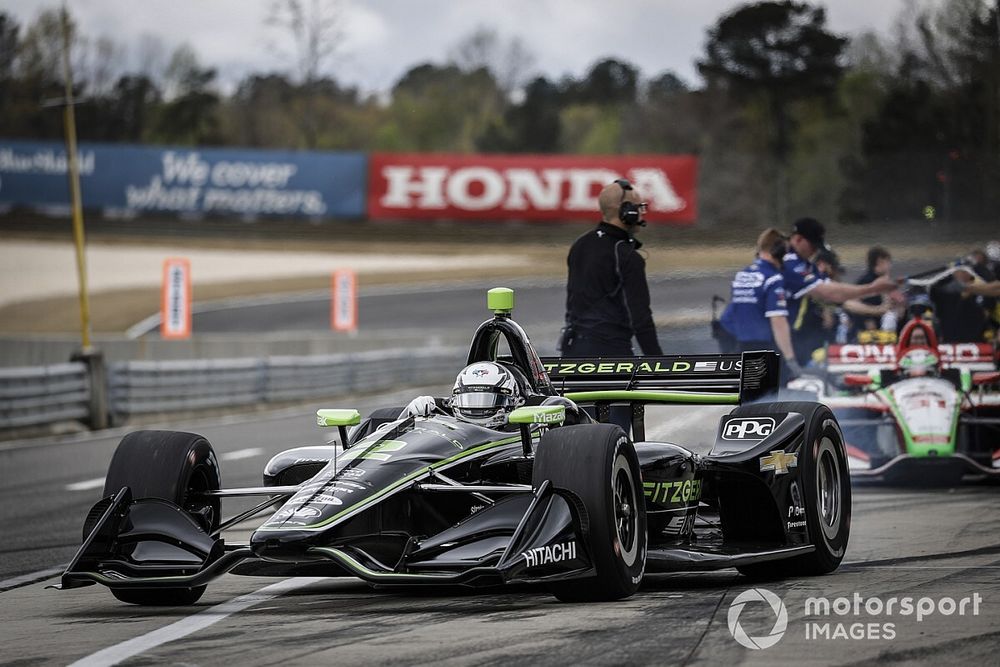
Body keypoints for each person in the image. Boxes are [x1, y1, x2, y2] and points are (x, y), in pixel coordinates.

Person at [560, 178, 663, 358]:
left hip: (572, 351)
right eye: (639, 207)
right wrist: (659, 364)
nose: (641, 214)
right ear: (627, 211)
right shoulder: (627, 255)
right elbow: (641, 318)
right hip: (610, 353)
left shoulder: (580, 244)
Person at [782, 217, 896, 365]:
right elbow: (832, 294)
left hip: (795, 340)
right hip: (783, 340)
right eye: (812, 245)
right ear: (798, 240)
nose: (814, 251)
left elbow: (841, 298)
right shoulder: (791, 262)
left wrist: (875, 297)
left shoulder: (803, 265)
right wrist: (873, 290)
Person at [718, 228, 803, 380]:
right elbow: (778, 320)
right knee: (774, 398)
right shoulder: (773, 279)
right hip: (765, 349)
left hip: (741, 346)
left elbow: (731, 314)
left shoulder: (741, 276)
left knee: (748, 397)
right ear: (778, 252)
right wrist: (790, 359)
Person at [400, 361, 525, 429]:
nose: (477, 409)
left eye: (487, 399)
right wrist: (413, 410)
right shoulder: (442, 407)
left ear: (513, 402)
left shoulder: (525, 426)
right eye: (469, 399)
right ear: (455, 401)